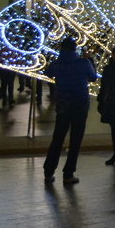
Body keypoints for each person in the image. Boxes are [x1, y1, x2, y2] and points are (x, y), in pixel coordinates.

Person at [42, 38, 100, 186]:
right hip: (80, 105)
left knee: (57, 138)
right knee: (76, 139)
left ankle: (48, 171)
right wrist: (90, 60)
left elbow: (48, 73)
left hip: (63, 105)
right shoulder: (83, 62)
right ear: (75, 49)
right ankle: (68, 173)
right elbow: (93, 77)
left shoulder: (57, 63)